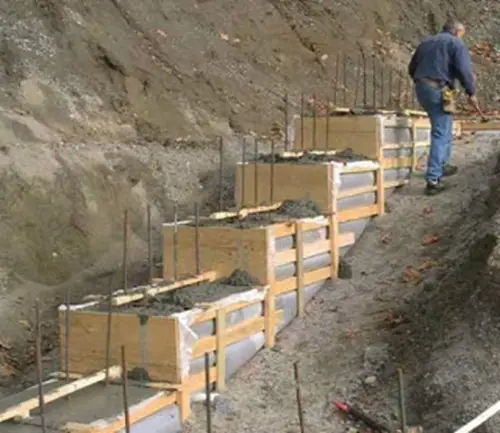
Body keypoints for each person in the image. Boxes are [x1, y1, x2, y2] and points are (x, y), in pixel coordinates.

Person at [408, 19, 480, 195]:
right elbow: (464, 70)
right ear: (457, 32)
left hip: (422, 86)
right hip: (437, 88)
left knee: (445, 124)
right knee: (440, 131)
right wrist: (471, 92)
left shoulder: (426, 42)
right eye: (462, 34)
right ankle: (433, 178)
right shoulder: (456, 43)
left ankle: (441, 164)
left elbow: (412, 68)